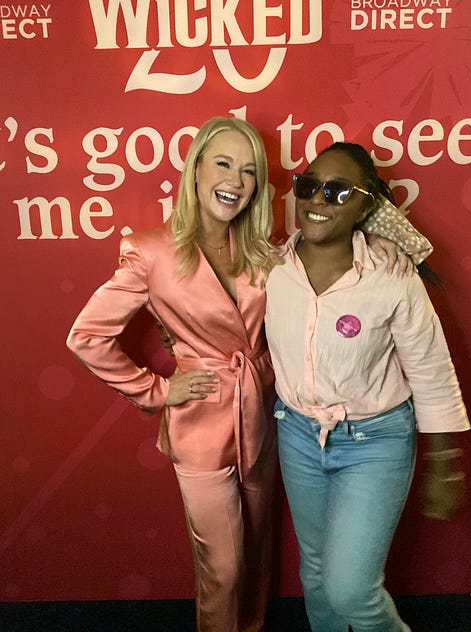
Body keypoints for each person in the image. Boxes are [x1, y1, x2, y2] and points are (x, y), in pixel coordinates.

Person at [67, 117, 425, 632]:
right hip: (200, 424)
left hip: (268, 420)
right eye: (223, 163)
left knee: (256, 554)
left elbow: (343, 240)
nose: (236, 178)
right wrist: (158, 389)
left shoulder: (268, 251)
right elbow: (87, 336)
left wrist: (381, 245)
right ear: (195, 171)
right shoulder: (150, 250)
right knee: (224, 566)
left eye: (250, 170)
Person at [264, 142, 470, 632]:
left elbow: (433, 373)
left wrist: (444, 466)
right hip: (296, 435)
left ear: (366, 204)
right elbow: (213, 313)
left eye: (338, 191)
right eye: (309, 186)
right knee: (315, 572)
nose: (318, 200)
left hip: (375, 443)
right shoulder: (270, 268)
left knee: (350, 588)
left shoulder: (392, 276)